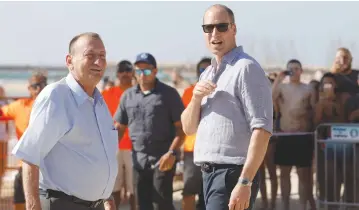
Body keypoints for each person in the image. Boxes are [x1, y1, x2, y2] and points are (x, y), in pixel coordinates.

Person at [181, 4, 273, 210]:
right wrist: (195, 99)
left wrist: (245, 182)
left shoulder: (246, 68)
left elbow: (262, 129)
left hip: (232, 173)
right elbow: (188, 128)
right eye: (208, 28)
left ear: (234, 29)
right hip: (209, 173)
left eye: (221, 26)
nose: (215, 33)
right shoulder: (208, 73)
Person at [11, 32, 117, 210]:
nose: (98, 63)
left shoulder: (99, 102)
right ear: (69, 61)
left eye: (102, 56)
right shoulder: (56, 97)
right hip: (62, 204)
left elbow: (98, 156)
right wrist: (32, 206)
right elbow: (30, 156)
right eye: (90, 56)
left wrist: (107, 197)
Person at [114, 52, 185, 210]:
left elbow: (182, 130)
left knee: (161, 204)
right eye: (138, 71)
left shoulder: (169, 94)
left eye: (146, 71)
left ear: (155, 71)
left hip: (163, 160)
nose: (142, 75)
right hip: (138, 161)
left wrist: (172, 153)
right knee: (140, 204)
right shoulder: (127, 96)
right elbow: (119, 128)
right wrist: (108, 152)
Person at [272, 59, 316, 210]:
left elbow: (314, 111)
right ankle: (285, 206)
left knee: (303, 175)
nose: (294, 71)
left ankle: (303, 206)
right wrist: (279, 78)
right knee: (284, 174)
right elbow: (270, 98)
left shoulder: (308, 89)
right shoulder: (282, 88)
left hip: (302, 135)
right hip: (285, 135)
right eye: (290, 69)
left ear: (301, 71)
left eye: (296, 69)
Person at [0, 72, 47, 210]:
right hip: (26, 164)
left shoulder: (54, 105)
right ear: (29, 88)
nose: (39, 89)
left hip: (49, 164)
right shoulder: (20, 105)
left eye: (42, 85)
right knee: (20, 196)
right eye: (35, 86)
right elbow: (2, 112)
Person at [102, 60, 135, 210]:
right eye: (121, 70)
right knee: (113, 187)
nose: (125, 74)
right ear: (117, 73)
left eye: (128, 70)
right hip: (113, 146)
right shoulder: (107, 94)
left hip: (134, 147)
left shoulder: (138, 92)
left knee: (134, 187)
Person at [181, 57, 211, 210]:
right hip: (192, 149)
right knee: (189, 190)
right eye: (202, 70)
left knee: (211, 193)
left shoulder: (222, 92)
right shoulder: (188, 92)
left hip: (214, 149)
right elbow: (184, 122)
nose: (205, 72)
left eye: (209, 69)